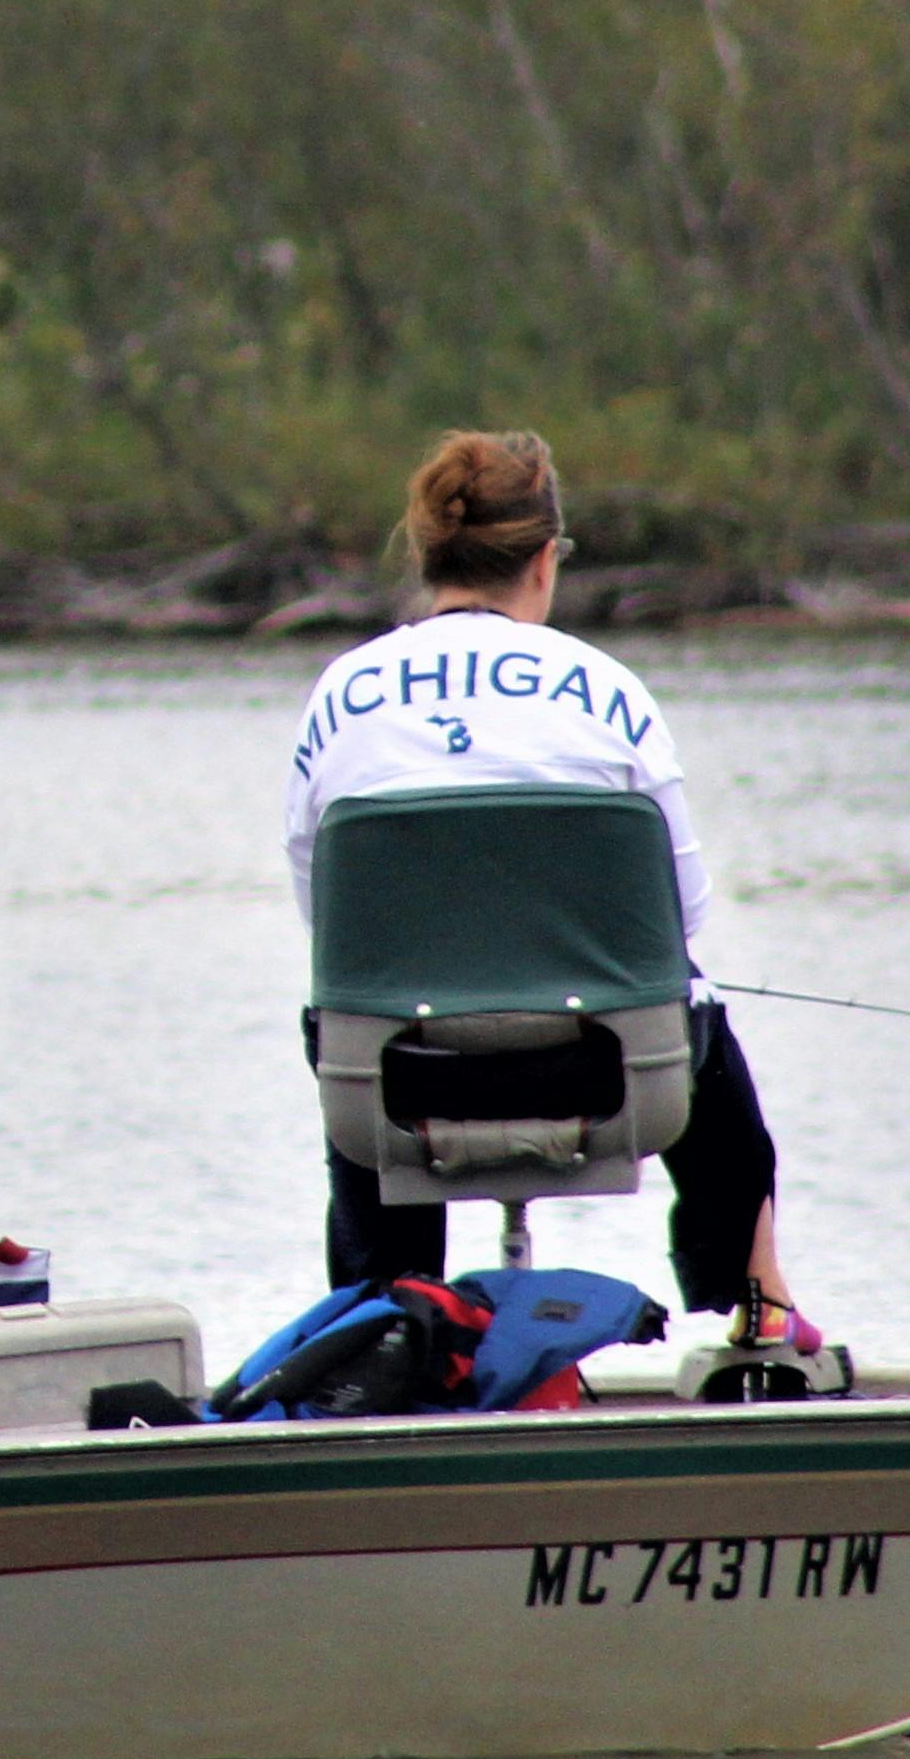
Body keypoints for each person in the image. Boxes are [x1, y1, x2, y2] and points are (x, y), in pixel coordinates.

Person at [279, 429, 808, 1339]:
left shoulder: (340, 697)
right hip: (606, 1069)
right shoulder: (610, 692)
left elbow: (327, 921)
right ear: (543, 560)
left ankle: (384, 1320)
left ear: (431, 553)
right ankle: (755, 1304)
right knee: (697, 1000)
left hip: (406, 1082)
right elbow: (680, 915)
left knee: (352, 1018)